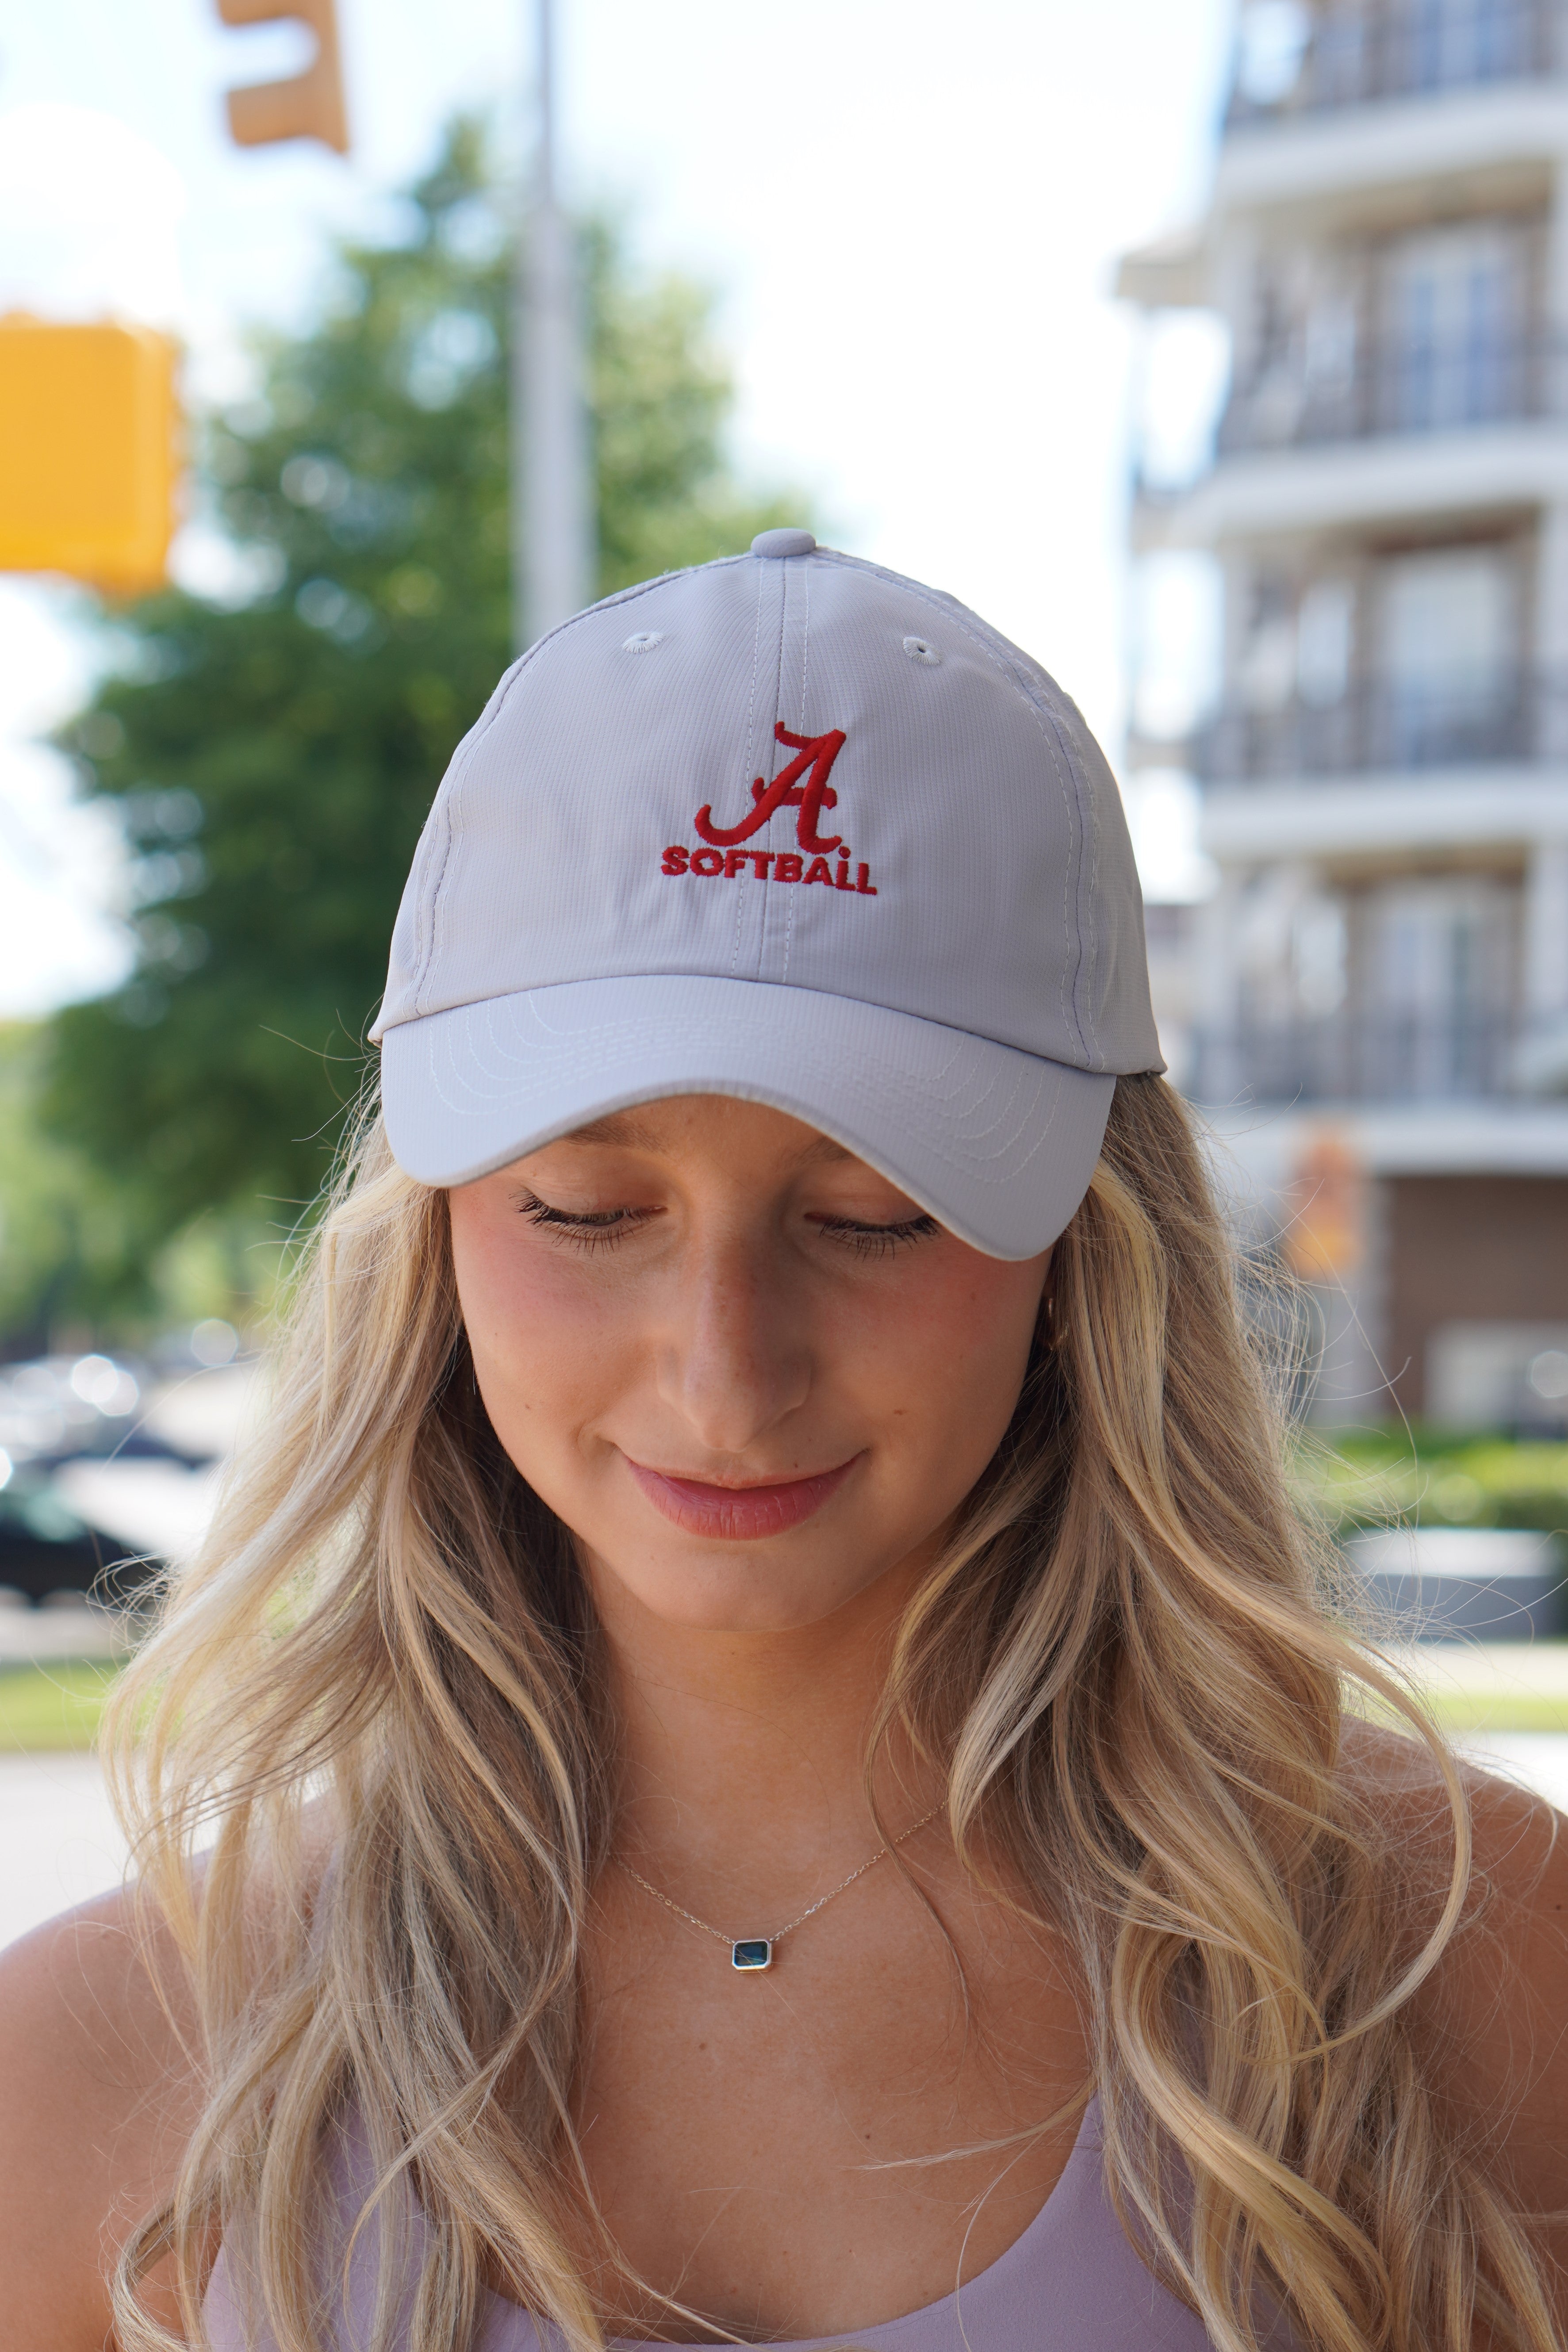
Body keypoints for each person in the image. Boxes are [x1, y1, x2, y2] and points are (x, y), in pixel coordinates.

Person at [1, 529, 1564, 2352]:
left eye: (878, 1215)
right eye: (587, 1209)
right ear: (427, 1239)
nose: (726, 1377)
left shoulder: (1461, 1970)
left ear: (1085, 1254)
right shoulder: (120, 2056)